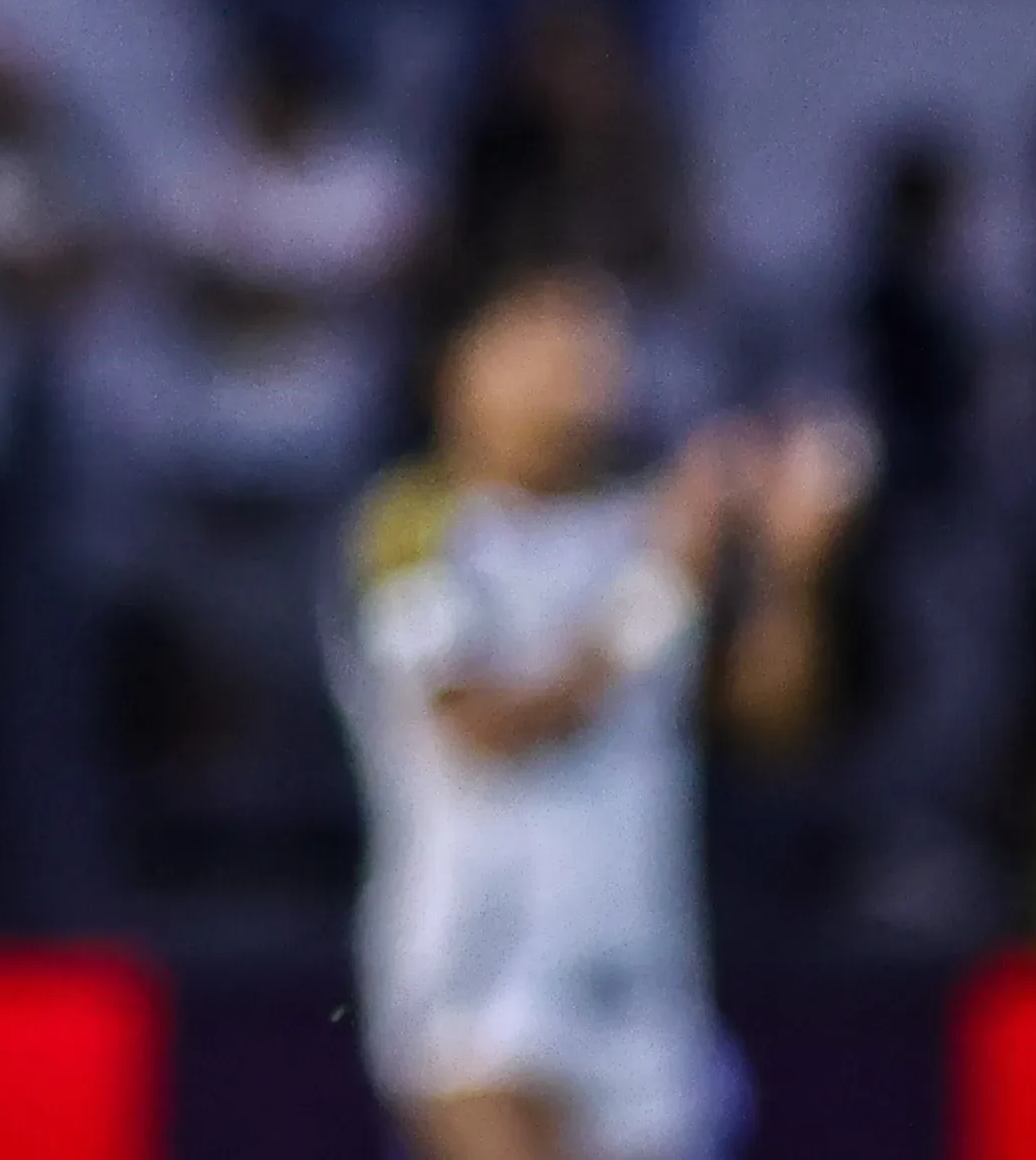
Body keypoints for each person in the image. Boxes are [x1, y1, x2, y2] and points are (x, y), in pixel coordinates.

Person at [330, 269, 865, 1160]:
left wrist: (792, 571)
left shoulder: (650, 521)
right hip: (477, 974)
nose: (574, 369)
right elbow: (483, 728)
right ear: (460, 370)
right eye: (539, 342)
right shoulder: (410, 522)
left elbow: (775, 727)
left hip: (643, 982)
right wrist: (662, 589)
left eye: (593, 346)